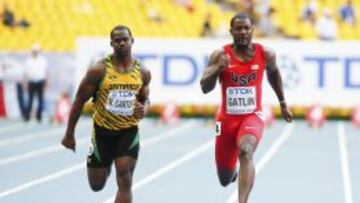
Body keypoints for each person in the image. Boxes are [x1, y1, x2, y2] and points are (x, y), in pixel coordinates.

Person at [200, 13, 293, 203]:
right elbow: (204, 88)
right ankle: (233, 174)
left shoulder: (266, 54)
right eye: (238, 28)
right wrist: (218, 68)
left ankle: (242, 200)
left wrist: (283, 103)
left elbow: (274, 75)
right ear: (231, 31)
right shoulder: (220, 55)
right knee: (224, 179)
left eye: (246, 28)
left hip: (252, 116)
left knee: (246, 150)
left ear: (252, 30)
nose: (242, 32)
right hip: (226, 120)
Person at [61, 25, 151, 203]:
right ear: (111, 44)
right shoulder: (99, 71)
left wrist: (144, 109)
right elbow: (79, 100)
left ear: (132, 41)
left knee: (125, 180)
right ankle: (108, 163)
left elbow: (145, 100)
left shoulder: (143, 72)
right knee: (96, 185)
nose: (122, 43)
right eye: (117, 41)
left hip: (128, 132)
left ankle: (117, 163)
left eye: (125, 40)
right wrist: (69, 134)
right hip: (102, 132)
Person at [24, 43, 48, 122]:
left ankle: (39, 116)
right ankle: (27, 116)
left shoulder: (42, 60)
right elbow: (26, 73)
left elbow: (45, 72)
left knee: (40, 100)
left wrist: (46, 82)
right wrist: (26, 83)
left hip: (40, 81)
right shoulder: (28, 60)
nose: (35, 52)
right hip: (31, 81)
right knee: (30, 100)